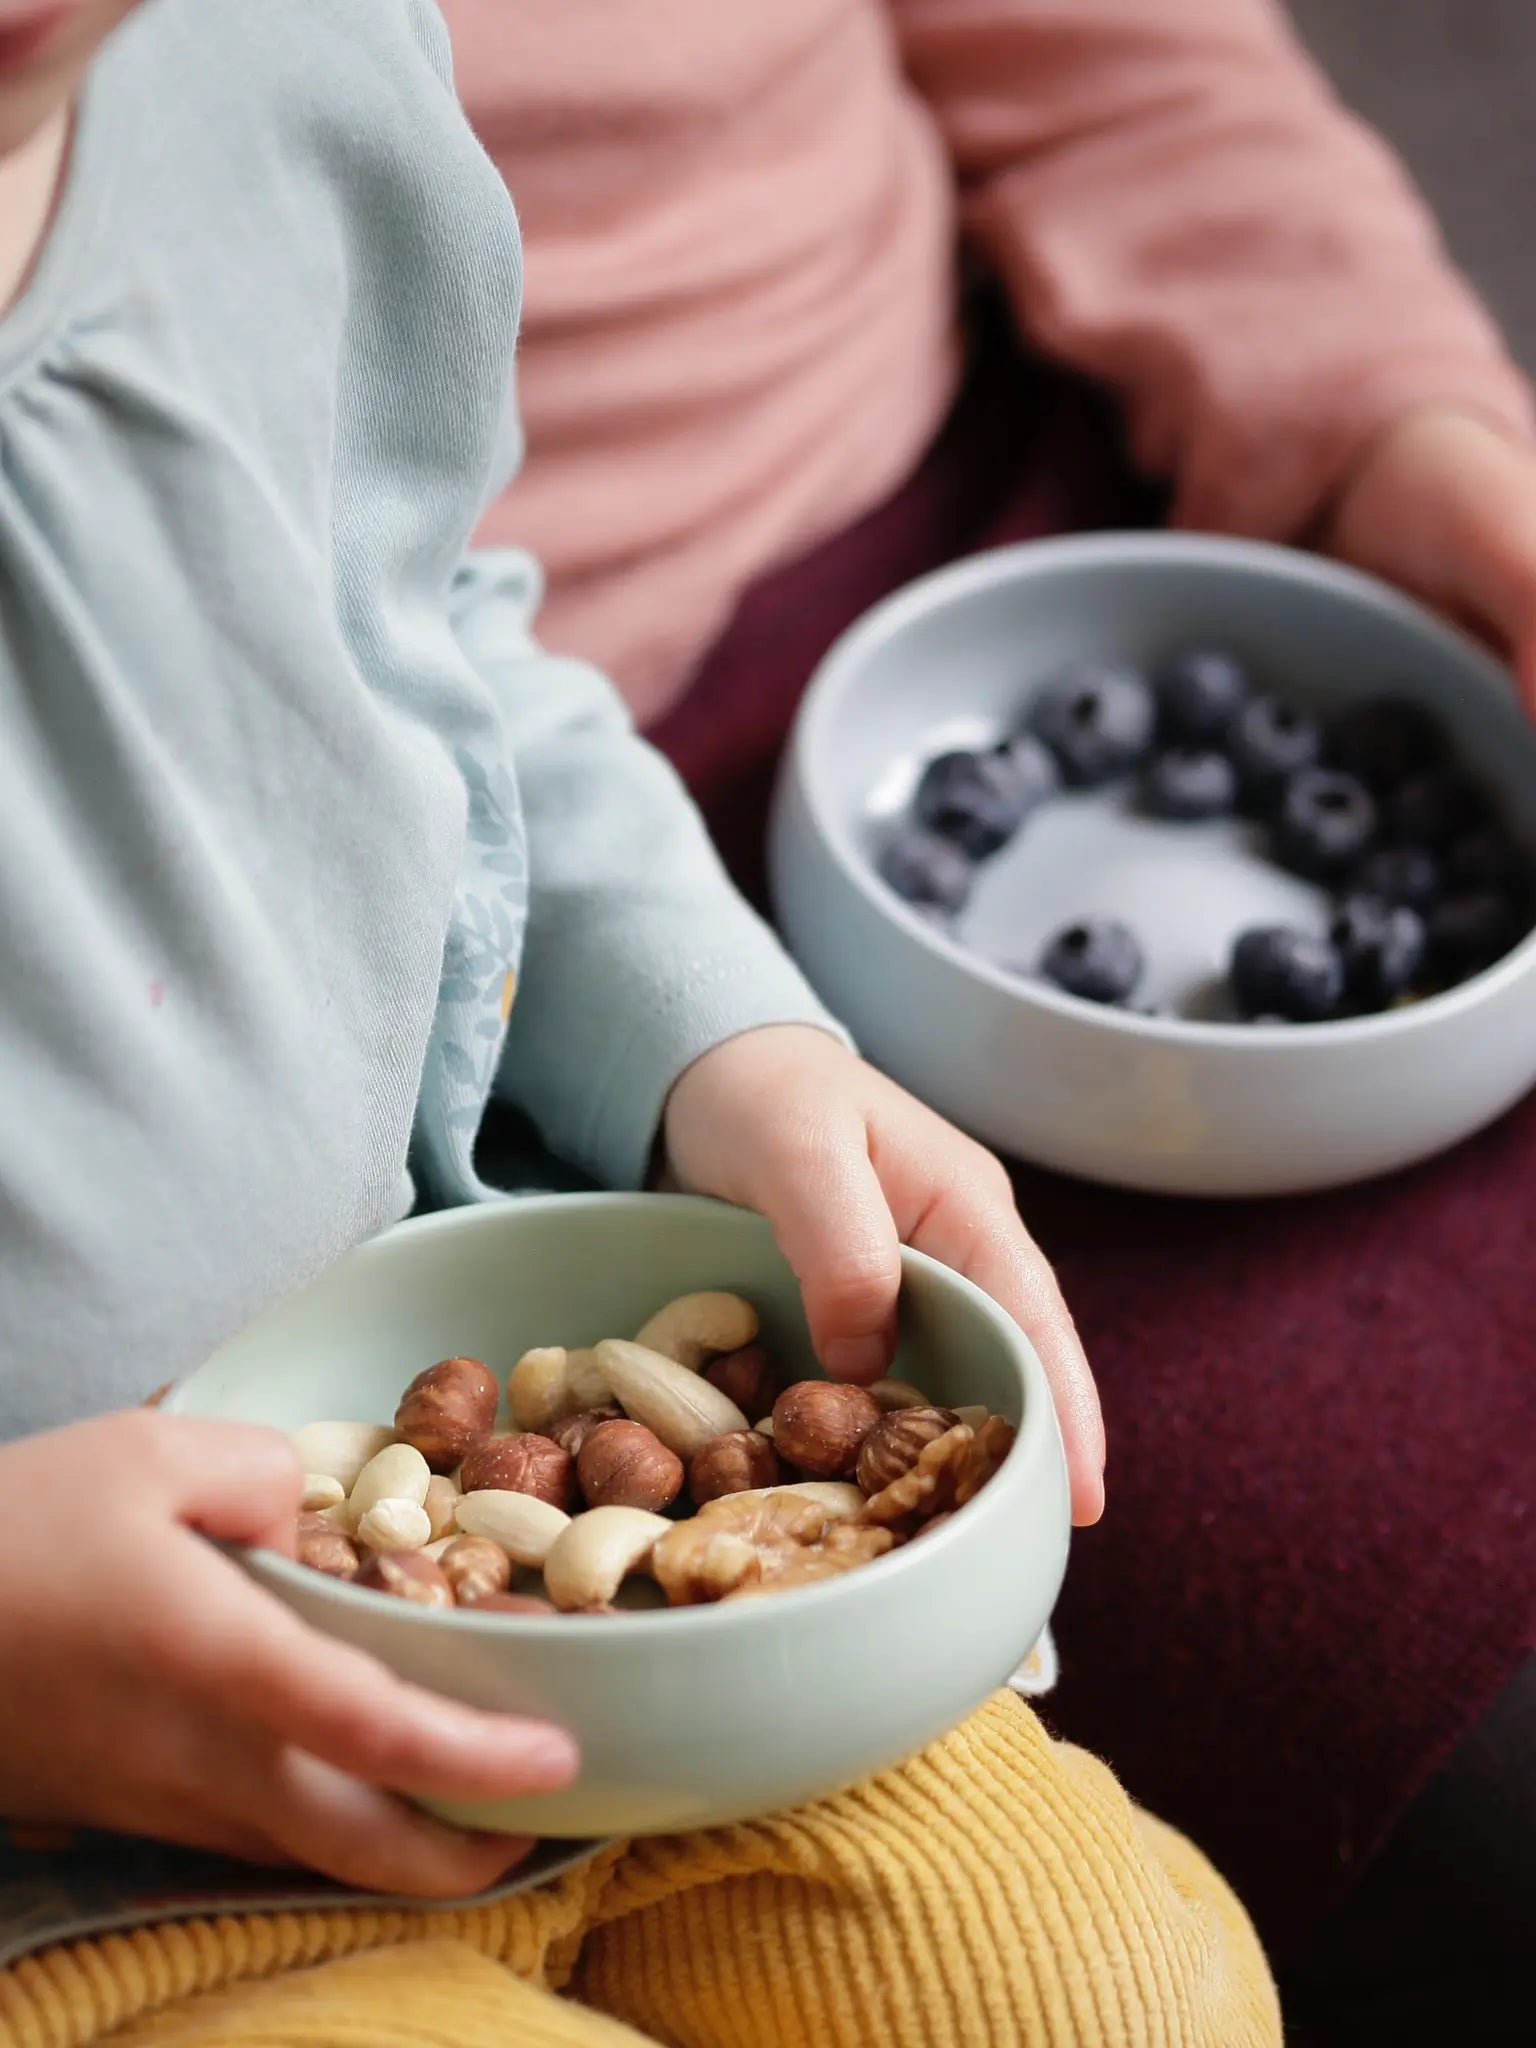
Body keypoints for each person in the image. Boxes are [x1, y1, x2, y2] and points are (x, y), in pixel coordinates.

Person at [0, 2, 1280, 2042]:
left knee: (1117, 1991)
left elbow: (430, 650)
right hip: (58, 1882)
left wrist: (729, 1052)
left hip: (564, 1635)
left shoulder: (277, 60)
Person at [441, 0, 1536, 2028]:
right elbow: (380, 615)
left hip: (1047, 540)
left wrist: (1400, 428)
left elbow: (1118, 53)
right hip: (538, 842)